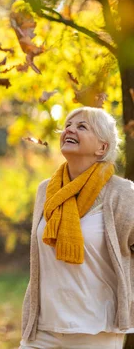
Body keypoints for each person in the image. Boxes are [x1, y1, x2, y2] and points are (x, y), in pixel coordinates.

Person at [20, 107, 134, 348]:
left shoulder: (123, 194)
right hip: (43, 328)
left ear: (102, 148)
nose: (70, 129)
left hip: (96, 330)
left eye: (82, 126)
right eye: (68, 125)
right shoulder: (46, 190)